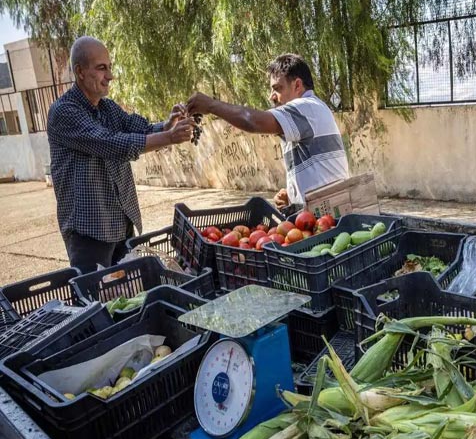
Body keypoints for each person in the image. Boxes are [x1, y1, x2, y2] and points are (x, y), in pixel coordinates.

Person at [48, 36, 196, 274]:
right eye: (101, 68)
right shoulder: (64, 112)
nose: (110, 75)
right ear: (80, 72)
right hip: (90, 231)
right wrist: (168, 138)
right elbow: (110, 144)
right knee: (96, 300)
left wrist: (168, 124)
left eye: (110, 67)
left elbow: (138, 128)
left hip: (121, 222)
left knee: (127, 298)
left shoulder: (106, 107)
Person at [186, 53, 350, 211]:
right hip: (322, 216)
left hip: (330, 218)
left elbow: (252, 120)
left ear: (297, 85)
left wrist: (211, 105)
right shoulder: (308, 113)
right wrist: (293, 197)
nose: (272, 96)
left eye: (277, 88)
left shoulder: (306, 107)